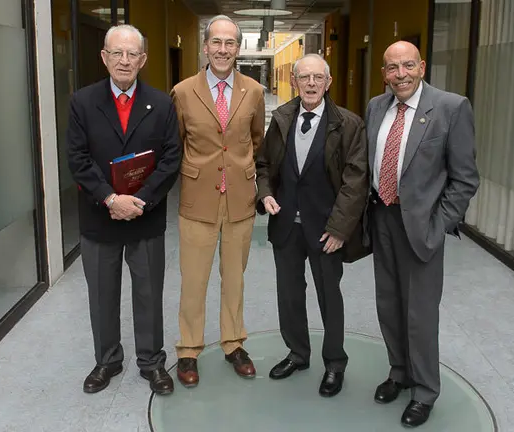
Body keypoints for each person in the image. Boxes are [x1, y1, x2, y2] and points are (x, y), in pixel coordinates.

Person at [365, 41, 479, 426]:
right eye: (392, 68)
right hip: (382, 218)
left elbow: (465, 179)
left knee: (420, 313)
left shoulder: (451, 107)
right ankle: (399, 372)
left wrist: (440, 224)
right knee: (389, 305)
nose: (401, 74)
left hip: (422, 227)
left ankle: (426, 391)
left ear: (422, 66)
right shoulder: (376, 107)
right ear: (384, 73)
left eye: (408, 66)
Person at [67, 24, 180, 396]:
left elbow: (170, 159)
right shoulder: (82, 102)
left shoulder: (162, 103)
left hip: (145, 218)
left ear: (143, 59)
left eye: (132, 54)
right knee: (102, 294)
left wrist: (141, 200)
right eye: (117, 53)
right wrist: (111, 199)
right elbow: (78, 159)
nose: (125, 60)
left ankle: (151, 362)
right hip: (100, 218)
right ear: (104, 57)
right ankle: (107, 360)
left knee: (149, 293)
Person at [255, 54, 369, 397]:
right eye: (304, 77)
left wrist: (339, 228)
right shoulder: (281, 118)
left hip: (325, 230)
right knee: (289, 295)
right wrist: (265, 194)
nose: (311, 84)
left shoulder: (349, 124)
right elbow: (263, 165)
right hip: (286, 225)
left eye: (318, 78)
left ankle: (335, 363)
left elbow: (356, 181)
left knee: (329, 297)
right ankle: (297, 353)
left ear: (328, 82)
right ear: (294, 81)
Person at [170, 15, 265, 387]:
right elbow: (176, 143)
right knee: (193, 279)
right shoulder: (182, 92)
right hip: (198, 200)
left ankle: (233, 343)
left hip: (240, 199)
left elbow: (255, 140)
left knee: (234, 279)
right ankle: (189, 350)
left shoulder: (253, 92)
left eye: (230, 43)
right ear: (205, 47)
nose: (223, 50)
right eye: (217, 43)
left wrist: (238, 170)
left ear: (237, 49)